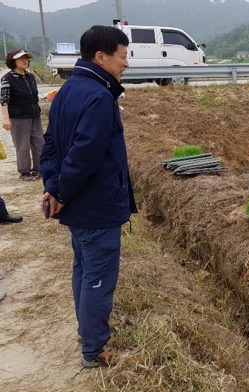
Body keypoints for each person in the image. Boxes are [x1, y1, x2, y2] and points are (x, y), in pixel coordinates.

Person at [39, 25, 137, 368]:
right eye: (123, 57)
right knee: (97, 278)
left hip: (79, 205)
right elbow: (85, 155)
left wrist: (53, 187)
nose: (126, 64)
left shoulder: (68, 90)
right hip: (96, 206)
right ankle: (94, 350)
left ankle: (88, 331)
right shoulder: (98, 96)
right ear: (101, 56)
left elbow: (49, 146)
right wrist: (61, 190)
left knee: (83, 269)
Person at [1, 49, 45, 181]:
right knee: (23, 145)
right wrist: (6, 119)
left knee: (39, 142)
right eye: (21, 59)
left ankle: (39, 169)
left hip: (34, 115)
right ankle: (25, 172)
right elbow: (4, 100)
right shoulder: (7, 79)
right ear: (13, 61)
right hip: (18, 117)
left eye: (26, 58)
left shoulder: (30, 77)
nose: (25, 61)